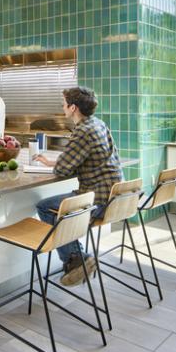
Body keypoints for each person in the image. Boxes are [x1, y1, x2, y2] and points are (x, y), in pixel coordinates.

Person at [33, 87, 123, 287]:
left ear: (73, 108)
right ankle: (77, 258)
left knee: (44, 207)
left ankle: (76, 258)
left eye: (64, 103)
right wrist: (53, 163)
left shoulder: (82, 130)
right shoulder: (98, 124)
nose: (62, 106)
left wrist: (55, 164)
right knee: (60, 205)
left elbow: (63, 169)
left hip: (96, 199)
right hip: (116, 197)